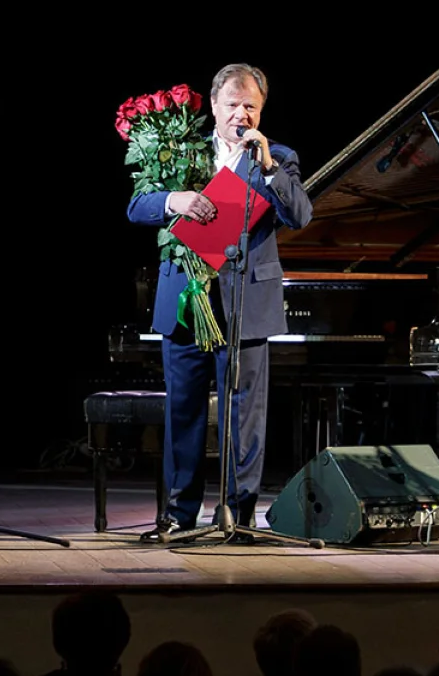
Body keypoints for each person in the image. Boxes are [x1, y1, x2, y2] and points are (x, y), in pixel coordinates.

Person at [125, 63, 312, 537]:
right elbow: (136, 206)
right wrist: (175, 200)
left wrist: (267, 167)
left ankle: (238, 516)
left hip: (245, 300)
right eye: (232, 104)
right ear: (213, 105)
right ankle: (178, 514)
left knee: (244, 415)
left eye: (251, 106)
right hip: (186, 300)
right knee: (184, 410)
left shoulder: (278, 156)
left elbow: (300, 215)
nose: (241, 115)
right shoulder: (180, 150)